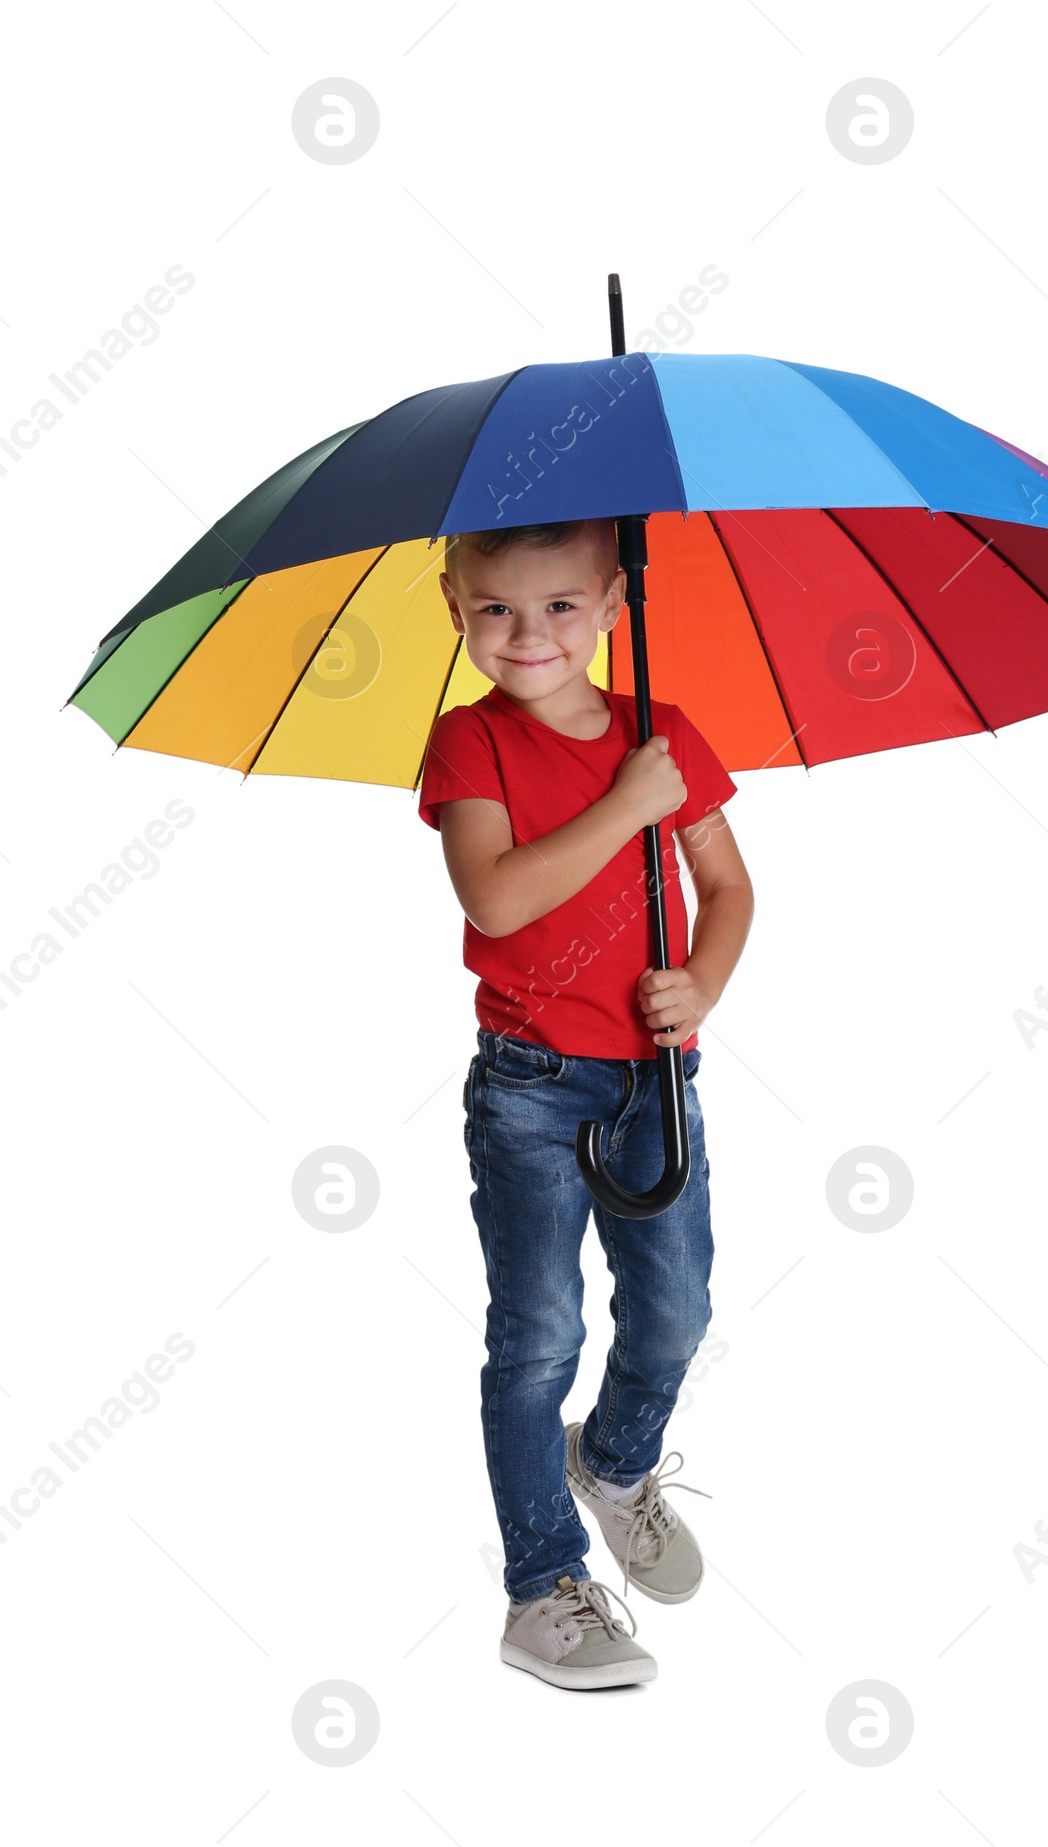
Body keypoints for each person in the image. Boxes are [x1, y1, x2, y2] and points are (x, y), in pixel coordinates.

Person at [417, 516, 754, 1689]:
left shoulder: (663, 733)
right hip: (531, 1086)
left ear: (615, 604)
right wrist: (625, 804)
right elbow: (498, 900)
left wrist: (700, 979)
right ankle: (542, 1585)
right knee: (540, 1331)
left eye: (561, 604)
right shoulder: (467, 745)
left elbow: (725, 885)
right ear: (454, 609)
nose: (528, 634)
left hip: (655, 1082)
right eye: (496, 608)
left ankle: (611, 1463)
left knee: (675, 1311)